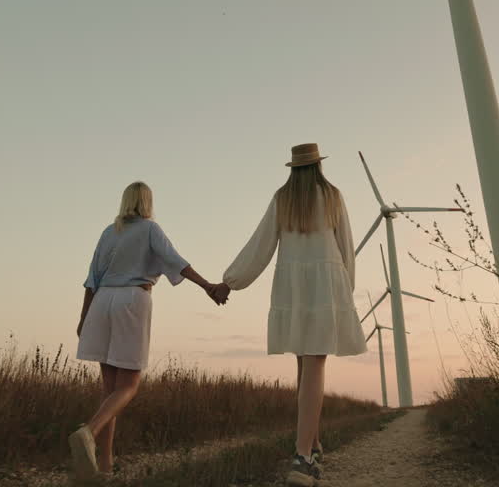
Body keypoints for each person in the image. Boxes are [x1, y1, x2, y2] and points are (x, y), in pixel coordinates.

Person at [212, 144, 367, 486]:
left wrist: (230, 282)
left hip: (293, 285)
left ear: (294, 168)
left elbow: (260, 245)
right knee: (314, 365)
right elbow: (346, 247)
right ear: (318, 166)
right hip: (325, 284)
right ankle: (302, 459)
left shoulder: (283, 198)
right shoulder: (332, 196)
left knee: (304, 364)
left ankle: (310, 442)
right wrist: (345, 291)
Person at [69, 181, 226, 484]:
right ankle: (88, 432)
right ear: (147, 202)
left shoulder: (108, 232)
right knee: (129, 386)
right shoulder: (150, 229)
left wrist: (83, 318)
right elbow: (178, 262)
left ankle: (104, 467)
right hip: (132, 300)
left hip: (102, 302)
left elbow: (91, 279)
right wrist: (208, 286)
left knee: (109, 389)